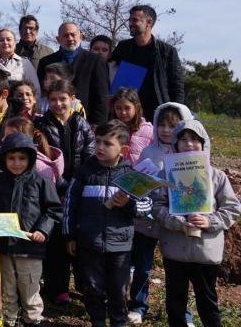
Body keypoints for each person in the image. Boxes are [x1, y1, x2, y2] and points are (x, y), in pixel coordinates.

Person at [152, 119, 241, 327]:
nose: (189, 144)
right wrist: (176, 222)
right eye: (183, 139)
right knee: (175, 302)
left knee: (207, 301)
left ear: (204, 143)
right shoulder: (166, 175)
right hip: (175, 249)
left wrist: (209, 220)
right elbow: (156, 206)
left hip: (205, 251)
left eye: (194, 139)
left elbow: (232, 208)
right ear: (175, 144)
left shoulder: (217, 176)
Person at [63, 120, 146, 327]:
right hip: (89, 242)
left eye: (107, 144)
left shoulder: (131, 176)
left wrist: (128, 204)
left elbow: (147, 208)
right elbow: (69, 205)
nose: (100, 147)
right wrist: (70, 235)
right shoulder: (85, 172)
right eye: (98, 142)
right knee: (92, 287)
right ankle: (98, 321)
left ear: (123, 149)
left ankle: (118, 322)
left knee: (118, 288)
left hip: (120, 245)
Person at [0, 133, 62, 327]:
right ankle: (9, 318)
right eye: (11, 158)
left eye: (22, 158)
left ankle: (32, 318)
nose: (16, 163)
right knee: (7, 284)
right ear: (4, 159)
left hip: (30, 246)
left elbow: (53, 209)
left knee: (29, 284)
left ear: (30, 159)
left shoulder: (41, 182)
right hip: (5, 245)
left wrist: (43, 230)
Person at [127, 102, 194, 325]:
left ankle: (183, 313)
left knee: (178, 271)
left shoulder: (187, 154)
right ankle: (138, 305)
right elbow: (138, 182)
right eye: (162, 125)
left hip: (175, 221)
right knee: (143, 266)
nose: (166, 130)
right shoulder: (148, 151)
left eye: (172, 125)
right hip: (147, 221)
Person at [35, 79, 95, 306]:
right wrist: (61, 185)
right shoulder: (41, 125)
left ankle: (83, 284)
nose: (58, 103)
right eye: (53, 99)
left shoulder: (83, 124)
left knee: (78, 239)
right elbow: (43, 159)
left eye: (63, 99)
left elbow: (90, 157)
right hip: (53, 190)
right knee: (56, 242)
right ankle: (58, 287)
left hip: (79, 190)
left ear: (73, 98)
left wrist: (76, 187)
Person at [111, 5, 185, 121]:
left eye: (134, 20)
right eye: (130, 20)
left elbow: (177, 86)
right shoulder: (123, 48)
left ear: (149, 22)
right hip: (127, 112)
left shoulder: (167, 51)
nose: (130, 23)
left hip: (158, 112)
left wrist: (175, 112)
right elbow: (110, 71)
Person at [37, 22, 109, 125]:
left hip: (85, 121)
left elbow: (101, 96)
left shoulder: (95, 61)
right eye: (66, 35)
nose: (70, 39)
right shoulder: (46, 62)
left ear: (80, 35)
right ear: (58, 39)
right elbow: (42, 91)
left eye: (73, 34)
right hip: (51, 121)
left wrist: (98, 124)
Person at [3, 117, 64, 184]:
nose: (3, 139)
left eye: (8, 136)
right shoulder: (5, 159)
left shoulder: (41, 169)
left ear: (23, 138)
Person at [0, 28, 41, 98]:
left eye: (8, 39)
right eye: (1, 40)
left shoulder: (25, 63)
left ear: (14, 43)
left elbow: (35, 89)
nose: (5, 42)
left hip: (20, 106)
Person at [111, 88, 153, 164]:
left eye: (127, 108)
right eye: (118, 108)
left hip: (140, 174)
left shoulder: (149, 131)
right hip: (118, 174)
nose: (123, 112)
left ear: (136, 107)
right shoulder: (111, 130)